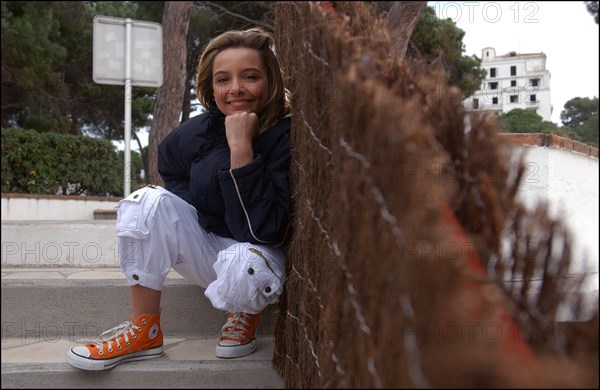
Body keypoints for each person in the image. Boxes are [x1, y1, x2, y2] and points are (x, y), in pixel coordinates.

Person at [66, 27, 292, 371]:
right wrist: (209, 214)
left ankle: (245, 310)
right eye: (222, 79)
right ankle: (145, 328)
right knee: (145, 201)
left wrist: (242, 150)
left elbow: (264, 231)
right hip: (213, 247)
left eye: (250, 76)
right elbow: (171, 173)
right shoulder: (196, 132)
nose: (235, 89)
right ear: (209, 86)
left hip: (261, 254)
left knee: (246, 260)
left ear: (270, 80)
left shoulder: (285, 136)